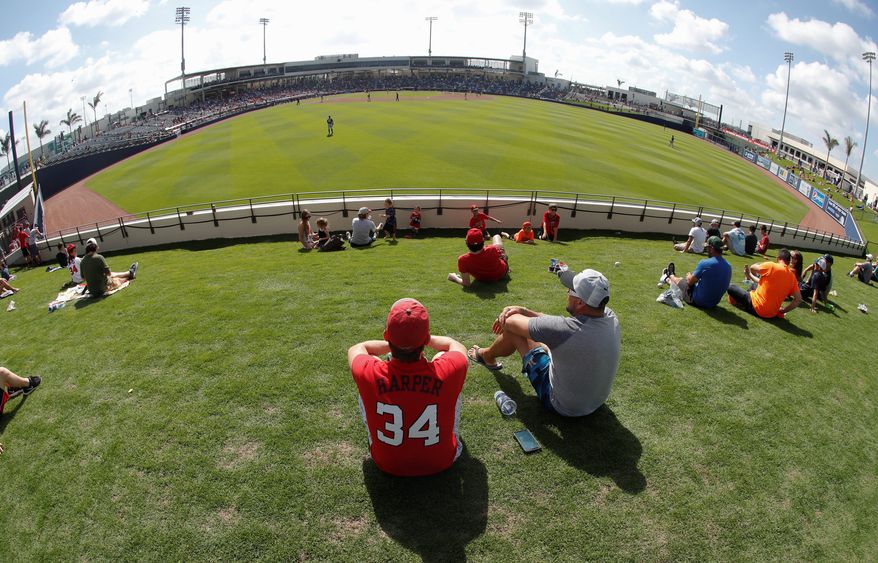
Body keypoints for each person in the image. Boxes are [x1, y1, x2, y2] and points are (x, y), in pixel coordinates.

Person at [468, 268, 621, 417]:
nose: (567, 292)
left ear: (580, 302)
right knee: (543, 338)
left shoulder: (566, 330)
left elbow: (509, 322)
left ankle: (486, 355)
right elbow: (552, 324)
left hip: (561, 406)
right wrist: (524, 310)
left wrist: (507, 316)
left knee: (514, 331)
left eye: (570, 290)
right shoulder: (610, 316)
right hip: (594, 402)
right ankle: (490, 355)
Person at [349, 298, 468, 477]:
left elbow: (358, 348)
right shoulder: (450, 368)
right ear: (426, 339)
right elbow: (455, 345)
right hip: (442, 461)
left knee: (368, 373)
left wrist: (396, 344)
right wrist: (419, 340)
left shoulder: (370, 371)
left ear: (386, 336)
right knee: (445, 359)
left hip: (386, 464)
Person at [658, 236, 732, 308]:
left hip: (698, 301)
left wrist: (689, 276)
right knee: (688, 283)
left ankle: (670, 275)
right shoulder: (729, 266)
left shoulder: (705, 263)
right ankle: (668, 279)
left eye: (707, 247)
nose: (706, 249)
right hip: (713, 303)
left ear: (712, 249)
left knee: (682, 280)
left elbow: (690, 282)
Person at [726, 248, 802, 319]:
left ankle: (742, 303)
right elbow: (798, 299)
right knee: (754, 285)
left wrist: (758, 266)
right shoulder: (792, 277)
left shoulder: (771, 266)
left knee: (731, 287)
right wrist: (783, 311)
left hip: (757, 308)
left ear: (778, 258)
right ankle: (744, 300)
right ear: (788, 262)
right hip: (772, 314)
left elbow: (753, 267)